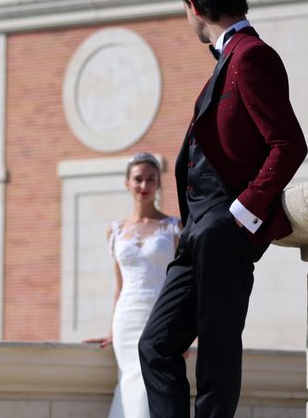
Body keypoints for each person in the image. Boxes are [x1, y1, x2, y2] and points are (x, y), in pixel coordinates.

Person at [137, 0, 308, 418]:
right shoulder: (228, 59)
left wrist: (241, 216)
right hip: (197, 234)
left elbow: (288, 144)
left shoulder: (253, 56)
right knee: (155, 346)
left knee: (216, 355)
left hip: (224, 228)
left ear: (192, 6)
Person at [85, 152, 181, 418]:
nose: (144, 186)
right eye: (138, 179)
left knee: (147, 381)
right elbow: (119, 286)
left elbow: (183, 284)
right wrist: (111, 329)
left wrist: (185, 334)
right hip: (126, 318)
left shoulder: (174, 228)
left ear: (159, 184)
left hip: (160, 315)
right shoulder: (114, 230)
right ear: (127, 183)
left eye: (151, 180)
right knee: (130, 380)